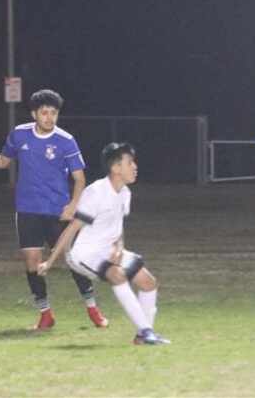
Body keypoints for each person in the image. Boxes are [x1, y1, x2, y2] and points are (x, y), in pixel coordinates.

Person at [0, 89, 108, 330]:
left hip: (57, 211)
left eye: (54, 113)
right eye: (44, 113)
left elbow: (80, 179)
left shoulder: (65, 140)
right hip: (27, 210)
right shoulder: (20, 135)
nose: (49, 118)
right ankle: (45, 314)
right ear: (34, 114)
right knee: (32, 262)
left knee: (73, 259)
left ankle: (93, 309)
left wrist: (73, 205)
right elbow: (3, 161)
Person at [37, 142, 170, 345]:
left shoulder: (125, 193)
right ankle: (145, 332)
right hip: (83, 253)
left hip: (108, 250)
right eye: (129, 162)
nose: (135, 166)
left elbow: (118, 226)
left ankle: (143, 336)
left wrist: (119, 246)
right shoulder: (96, 192)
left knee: (148, 283)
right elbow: (72, 228)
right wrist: (50, 261)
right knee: (117, 275)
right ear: (115, 168)